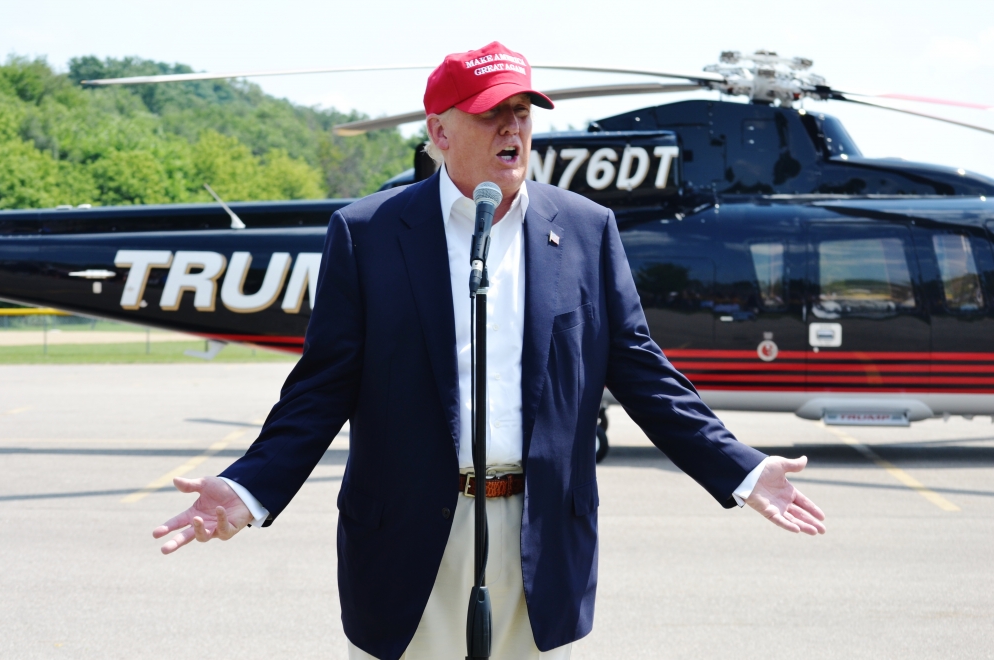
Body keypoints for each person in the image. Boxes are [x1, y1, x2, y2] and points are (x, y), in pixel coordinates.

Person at [153, 41, 826, 660]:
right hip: (409, 536)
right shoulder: (367, 234)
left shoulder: (587, 230)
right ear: (440, 132)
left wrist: (738, 467)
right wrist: (248, 486)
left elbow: (643, 371)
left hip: (540, 540)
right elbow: (322, 387)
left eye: (522, 112)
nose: (512, 128)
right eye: (489, 114)